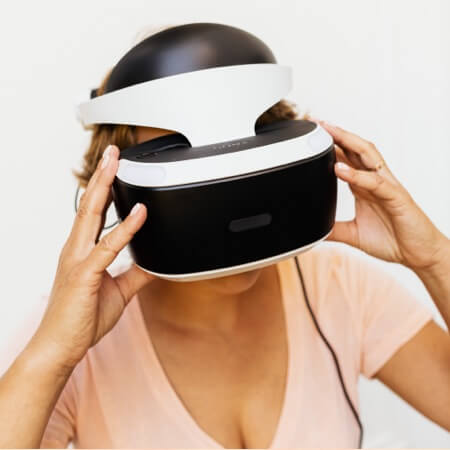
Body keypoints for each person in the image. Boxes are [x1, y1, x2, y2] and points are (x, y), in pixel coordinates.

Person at [0, 59, 449, 450]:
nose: (226, 208)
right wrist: (55, 353)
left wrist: (432, 258)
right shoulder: (73, 333)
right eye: (188, 169)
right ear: (116, 190)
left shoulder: (338, 286)